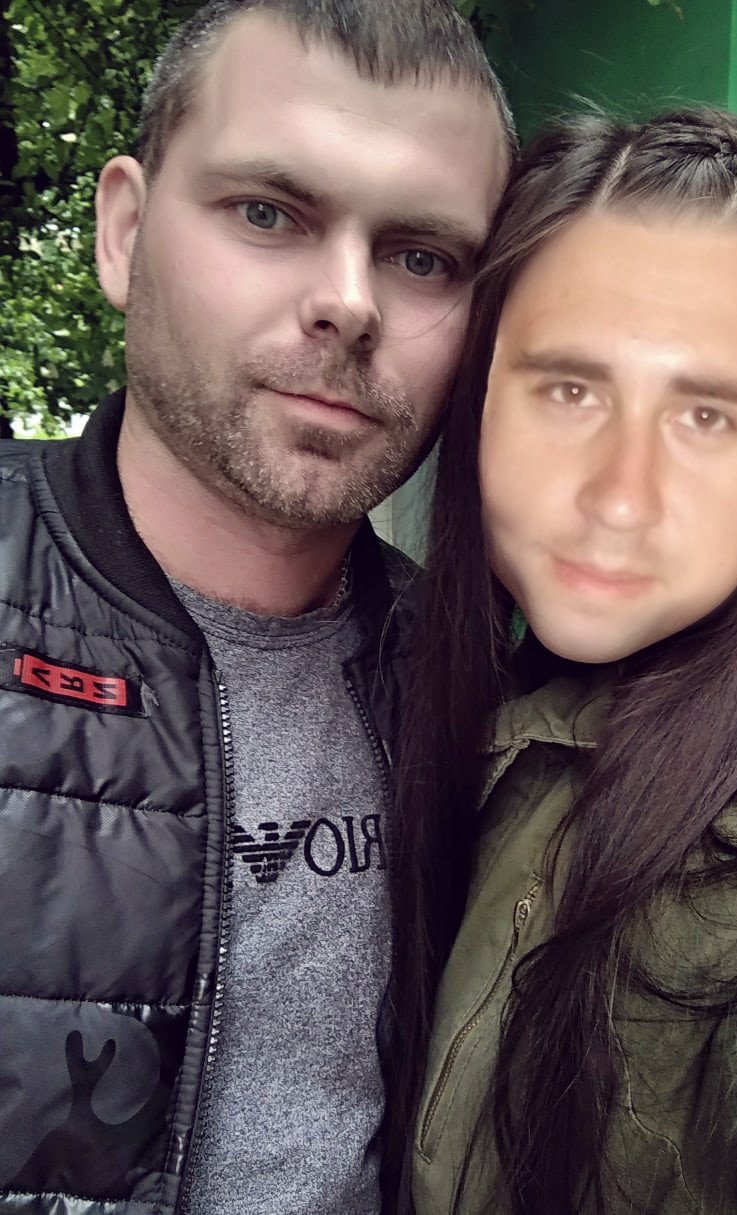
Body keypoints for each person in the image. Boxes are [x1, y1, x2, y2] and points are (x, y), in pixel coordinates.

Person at [383, 109, 737, 1214]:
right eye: (569, 389)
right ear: (479, 403)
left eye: (707, 415)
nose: (620, 499)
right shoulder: (500, 683)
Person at [0, 1, 510, 1212]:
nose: (350, 302)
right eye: (269, 214)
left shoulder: (485, 684)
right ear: (124, 233)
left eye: (423, 258)